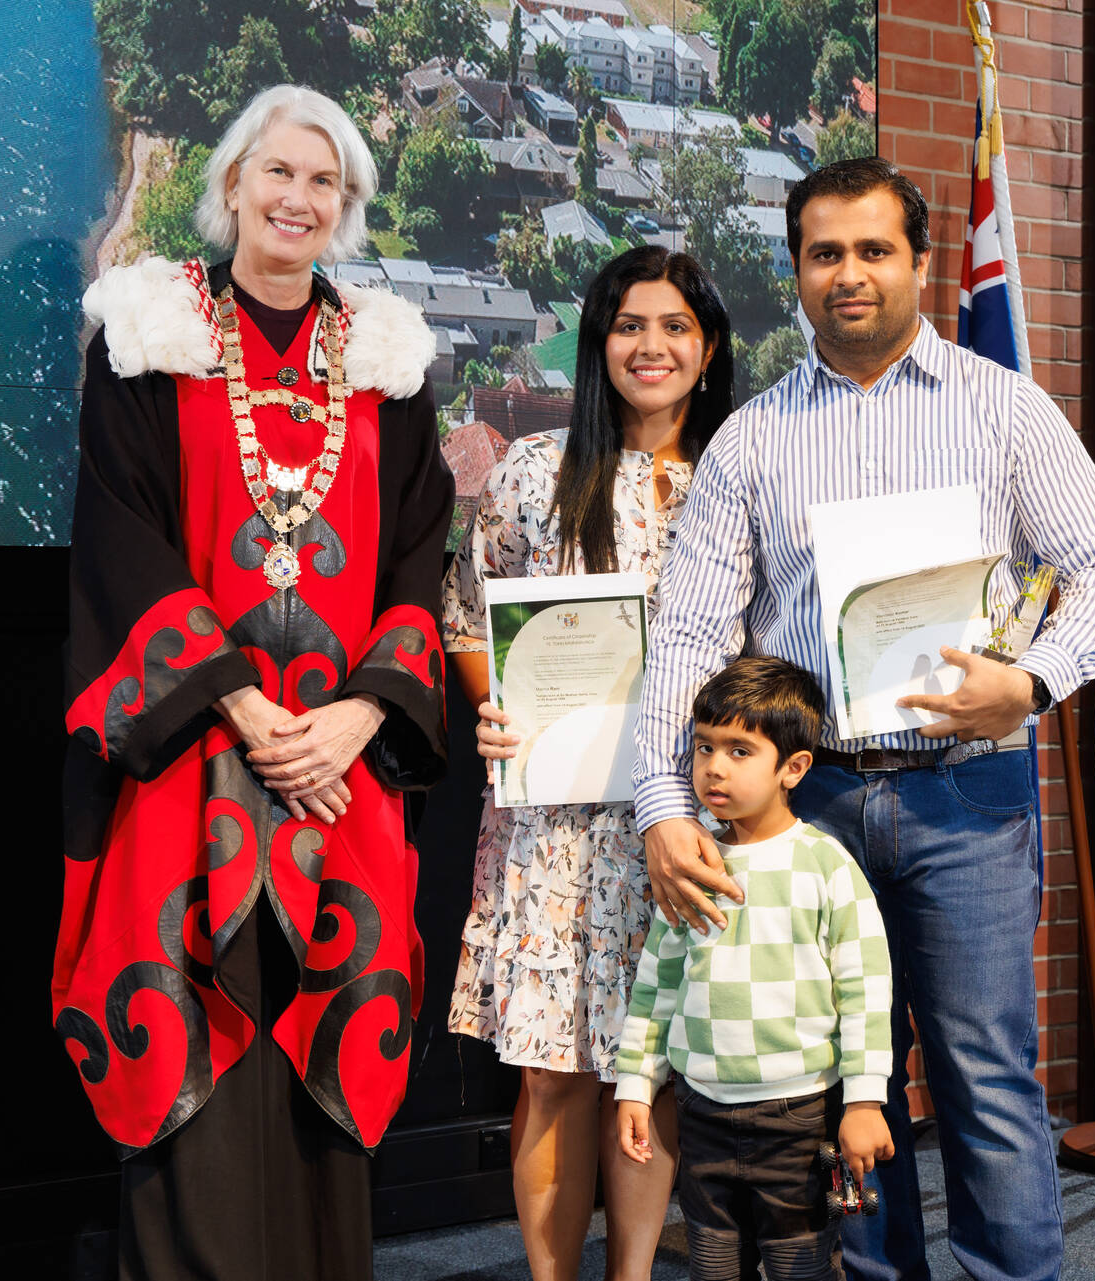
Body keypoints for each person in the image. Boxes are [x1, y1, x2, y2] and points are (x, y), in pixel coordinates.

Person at [633, 155, 1095, 1281]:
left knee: (984, 1076)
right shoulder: (752, 440)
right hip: (806, 804)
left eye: (875, 249)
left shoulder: (1003, 408)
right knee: (840, 1085)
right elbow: (689, 638)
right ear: (797, 271)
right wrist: (665, 804)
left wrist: (1032, 681)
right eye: (826, 253)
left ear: (920, 261)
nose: (850, 273)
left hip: (968, 793)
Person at [54, 84, 452, 1281]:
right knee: (192, 1031)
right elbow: (121, 538)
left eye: (324, 181)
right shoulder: (150, 337)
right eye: (278, 171)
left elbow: (419, 555)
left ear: (347, 206)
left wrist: (359, 714)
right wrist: (241, 706)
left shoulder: (386, 361)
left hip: (339, 769)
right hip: (189, 762)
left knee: (325, 1034)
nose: (298, 198)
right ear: (231, 184)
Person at [442, 245, 737, 1281]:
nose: (651, 347)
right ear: (598, 343)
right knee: (554, 1075)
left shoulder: (736, 479)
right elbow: (468, 617)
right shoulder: (534, 471)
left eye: (675, 327)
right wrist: (496, 708)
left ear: (709, 348)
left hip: (687, 817)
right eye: (629, 325)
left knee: (652, 1075)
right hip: (557, 825)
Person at [613, 656, 895, 1281]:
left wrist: (864, 1101)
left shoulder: (826, 866)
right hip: (702, 1112)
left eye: (740, 751)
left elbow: (865, 993)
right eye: (704, 747)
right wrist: (635, 1084)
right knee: (714, 1265)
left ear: (793, 767)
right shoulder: (691, 863)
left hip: (799, 1116)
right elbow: (655, 987)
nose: (714, 766)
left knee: (802, 1266)